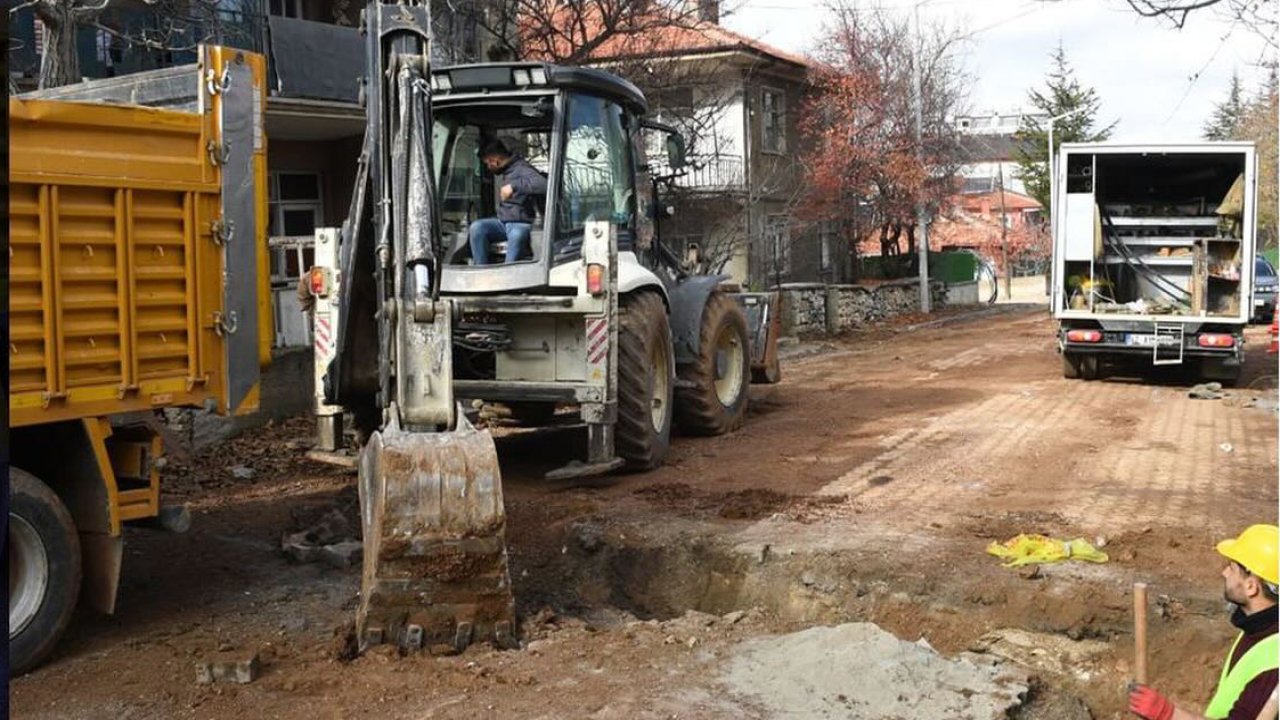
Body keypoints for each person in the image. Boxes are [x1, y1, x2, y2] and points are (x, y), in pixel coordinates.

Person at [1129, 524, 1278, 720]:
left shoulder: (1273, 664)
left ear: (1251, 586)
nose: (1224, 573)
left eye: (1231, 567)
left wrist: (1167, 713)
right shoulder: (1258, 628)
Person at [468, 138, 547, 265]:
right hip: (502, 222)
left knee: (516, 235)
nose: (488, 167)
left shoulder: (521, 168)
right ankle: (480, 268)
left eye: (488, 163)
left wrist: (514, 186)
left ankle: (507, 270)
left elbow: (543, 184)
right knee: (477, 227)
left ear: (495, 160)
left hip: (521, 222)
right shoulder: (506, 171)